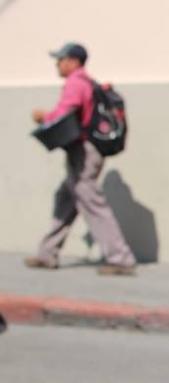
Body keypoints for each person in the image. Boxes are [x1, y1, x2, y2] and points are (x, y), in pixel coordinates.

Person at [26, 42, 136, 276]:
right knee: (66, 198)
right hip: (85, 150)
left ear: (74, 61)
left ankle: (121, 258)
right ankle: (47, 253)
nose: (58, 64)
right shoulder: (87, 82)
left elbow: (65, 112)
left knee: (91, 201)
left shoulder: (76, 83)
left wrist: (44, 117)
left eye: (61, 59)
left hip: (84, 152)